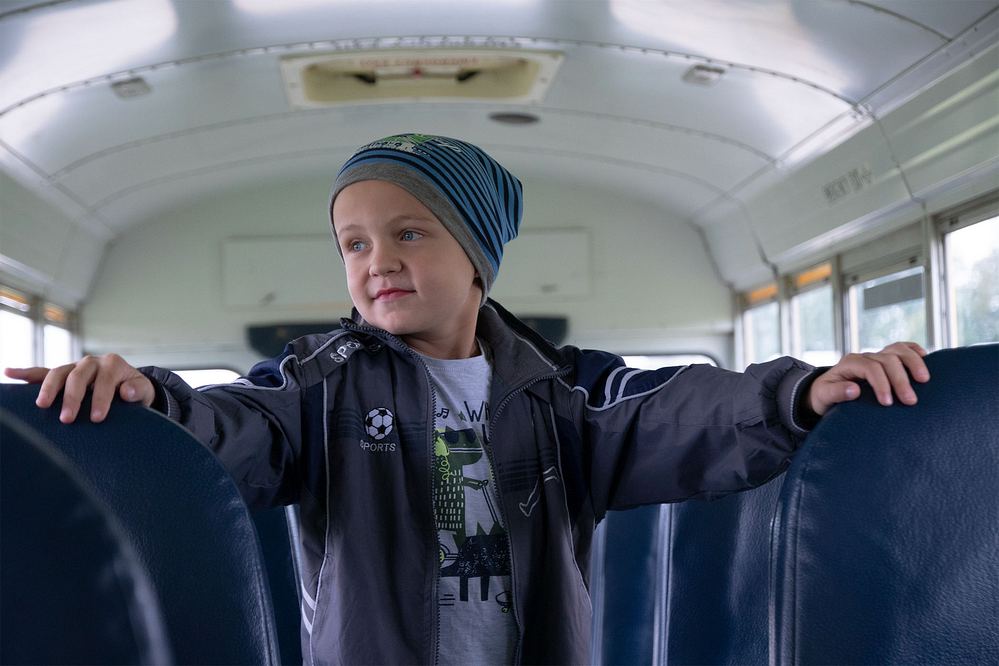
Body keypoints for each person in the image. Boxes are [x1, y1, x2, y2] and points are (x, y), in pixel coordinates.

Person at [5, 133, 930, 665]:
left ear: (478, 256)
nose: (378, 260)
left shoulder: (562, 392)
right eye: (354, 243)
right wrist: (148, 401)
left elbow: (674, 411)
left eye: (410, 232)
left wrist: (801, 392)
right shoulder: (320, 384)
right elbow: (234, 426)